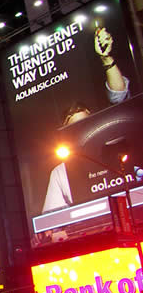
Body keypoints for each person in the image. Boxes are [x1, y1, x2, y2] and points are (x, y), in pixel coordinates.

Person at [42, 27, 131, 213]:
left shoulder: (119, 146)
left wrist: (107, 60)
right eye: (74, 127)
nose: (82, 132)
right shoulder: (61, 172)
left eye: (85, 124)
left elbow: (120, 97)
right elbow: (52, 221)